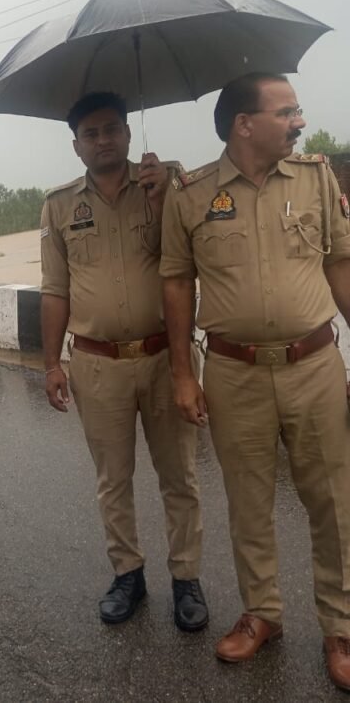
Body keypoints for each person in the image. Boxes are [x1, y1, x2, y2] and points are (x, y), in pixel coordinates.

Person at [160, 72, 350, 689]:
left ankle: (342, 626)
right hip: (233, 372)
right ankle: (262, 612)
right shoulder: (191, 195)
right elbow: (175, 282)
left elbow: (340, 263)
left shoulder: (316, 178)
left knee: (334, 503)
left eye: (297, 110)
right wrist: (183, 373)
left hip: (314, 365)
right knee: (248, 503)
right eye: (286, 112)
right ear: (245, 124)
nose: (299, 122)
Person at [40, 92, 207, 629]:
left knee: (180, 476)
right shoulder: (59, 205)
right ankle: (127, 574)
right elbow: (55, 289)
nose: (103, 140)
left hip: (166, 358)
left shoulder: (166, 181)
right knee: (113, 478)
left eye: (112, 128)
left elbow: (190, 259)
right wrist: (51, 363)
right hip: (97, 364)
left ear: (129, 134)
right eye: (90, 134)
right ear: (76, 146)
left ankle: (186, 579)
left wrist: (162, 202)